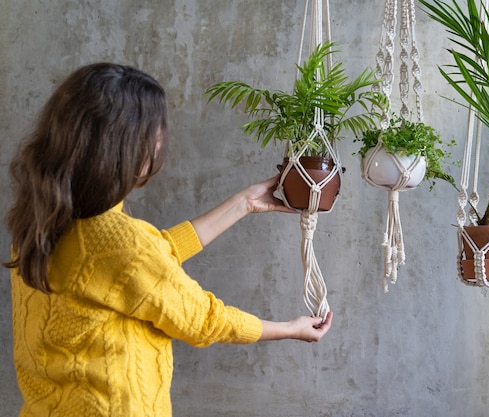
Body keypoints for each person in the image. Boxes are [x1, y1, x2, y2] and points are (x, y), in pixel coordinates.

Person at [3, 62, 333, 417]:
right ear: (122, 144)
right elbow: (201, 318)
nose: (160, 141)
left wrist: (243, 204)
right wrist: (289, 329)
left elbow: (146, 262)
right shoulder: (118, 242)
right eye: (154, 132)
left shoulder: (39, 226)